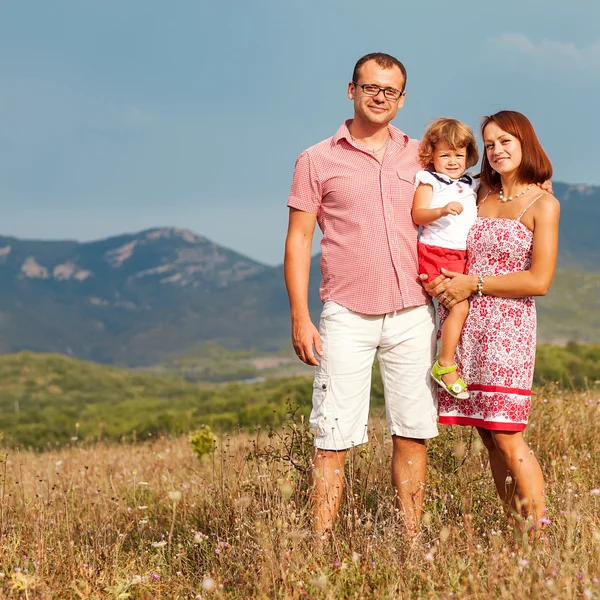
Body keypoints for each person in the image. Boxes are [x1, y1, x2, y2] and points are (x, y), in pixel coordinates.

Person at [284, 52, 438, 538]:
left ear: (402, 99)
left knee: (413, 432)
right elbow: (299, 239)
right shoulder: (316, 159)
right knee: (333, 435)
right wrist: (300, 316)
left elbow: (469, 183)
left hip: (414, 311)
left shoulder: (421, 155)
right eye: (370, 88)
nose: (379, 97)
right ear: (350, 90)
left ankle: (413, 544)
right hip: (346, 314)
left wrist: (535, 179)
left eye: (389, 91)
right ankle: (320, 544)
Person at [423, 110, 559, 532]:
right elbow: (434, 160)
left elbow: (539, 280)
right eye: (491, 143)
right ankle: (516, 527)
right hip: (466, 324)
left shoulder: (544, 203)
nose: (497, 150)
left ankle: (540, 532)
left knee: (506, 432)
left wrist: (474, 283)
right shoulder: (476, 191)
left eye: (506, 142)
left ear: (525, 144)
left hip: (508, 329)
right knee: (485, 433)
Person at [412, 118, 479, 400]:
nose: (452, 161)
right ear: (432, 155)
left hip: (460, 255)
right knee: (459, 308)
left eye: (458, 155)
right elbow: (418, 214)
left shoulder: (471, 183)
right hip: (437, 252)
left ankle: (454, 361)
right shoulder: (430, 181)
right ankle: (445, 364)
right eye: (445, 155)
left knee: (461, 308)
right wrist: (440, 211)